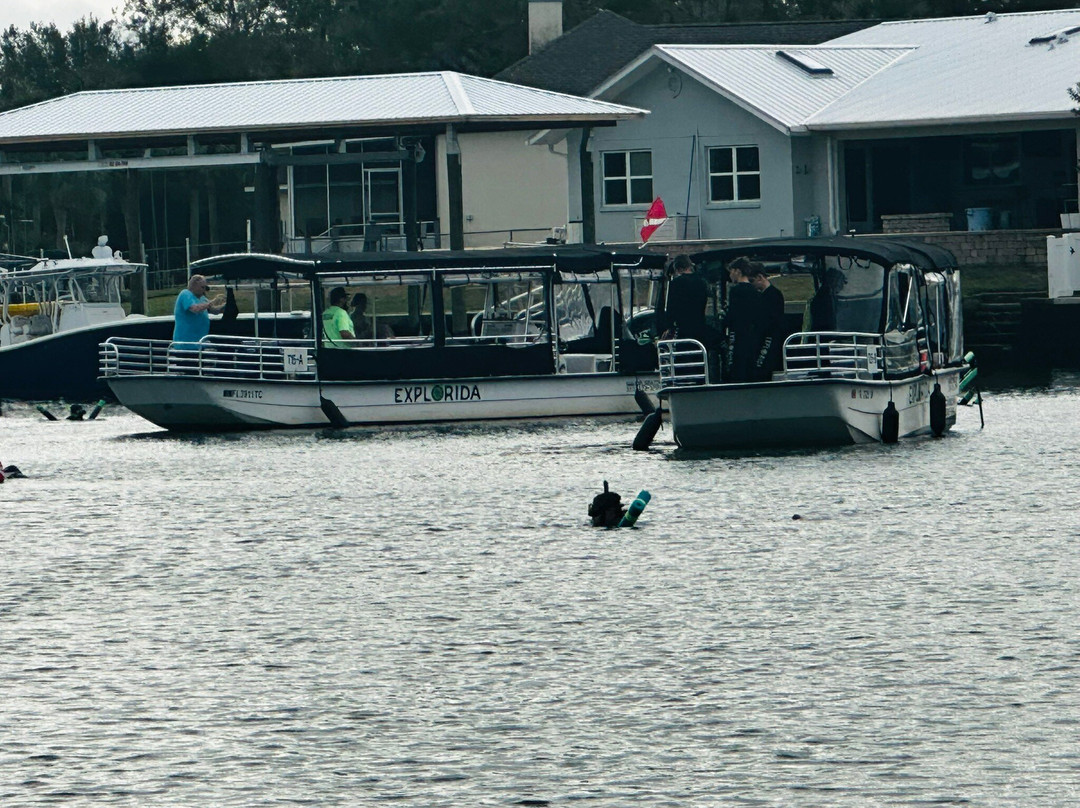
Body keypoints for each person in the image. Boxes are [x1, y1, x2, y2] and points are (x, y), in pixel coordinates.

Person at [724, 257, 761, 382]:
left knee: (737, 365)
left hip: (738, 333)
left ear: (737, 271)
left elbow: (732, 314)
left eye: (731, 271)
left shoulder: (735, 291)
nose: (730, 275)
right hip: (752, 334)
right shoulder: (754, 291)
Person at [748, 263, 786, 380]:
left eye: (752, 281)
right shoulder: (772, 294)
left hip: (770, 338)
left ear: (760, 277)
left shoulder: (772, 295)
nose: (751, 285)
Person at [661, 254, 709, 343]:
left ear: (678, 269)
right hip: (700, 327)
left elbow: (671, 307)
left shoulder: (675, 283)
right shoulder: (702, 282)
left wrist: (669, 326)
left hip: (683, 328)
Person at [173, 274, 226, 347]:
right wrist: (212, 301)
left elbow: (214, 310)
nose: (204, 290)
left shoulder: (202, 298)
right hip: (185, 344)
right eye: (202, 287)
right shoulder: (185, 294)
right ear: (194, 286)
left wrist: (225, 305)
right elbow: (195, 309)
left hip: (200, 343)